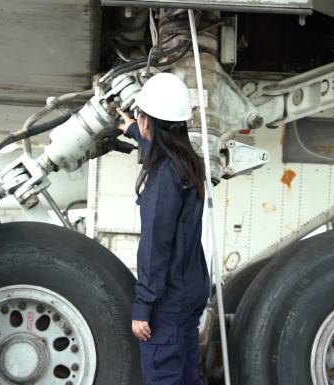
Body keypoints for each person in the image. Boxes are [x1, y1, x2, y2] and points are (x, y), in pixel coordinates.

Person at [117, 73, 210, 385]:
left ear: (149, 122)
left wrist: (143, 305)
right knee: (187, 374)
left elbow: (155, 246)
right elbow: (159, 145)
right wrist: (133, 129)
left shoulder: (162, 179)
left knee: (165, 376)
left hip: (168, 298)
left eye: (142, 118)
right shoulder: (190, 163)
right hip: (192, 289)